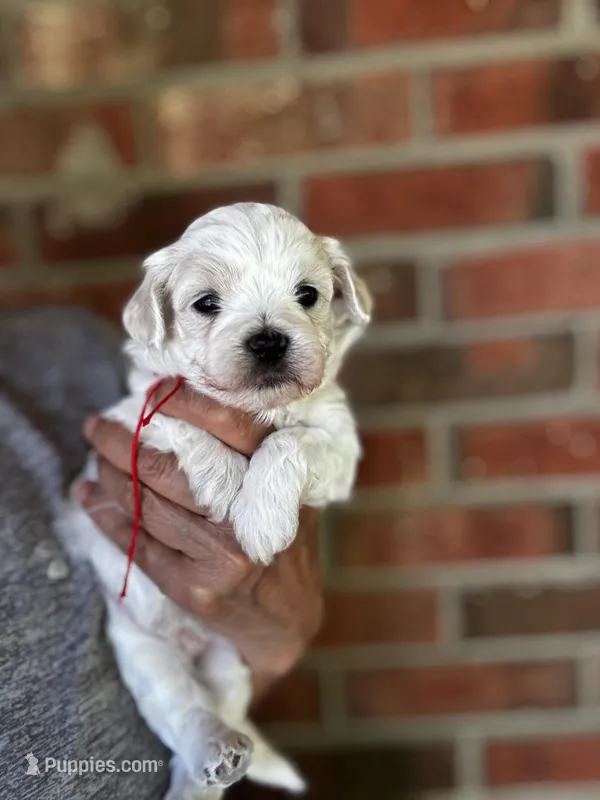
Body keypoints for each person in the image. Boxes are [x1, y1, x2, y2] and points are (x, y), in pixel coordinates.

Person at [0, 307, 322, 798]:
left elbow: (266, 633)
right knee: (158, 670)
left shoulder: (74, 353)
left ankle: (203, 762)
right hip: (142, 626)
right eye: (209, 305)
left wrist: (274, 638)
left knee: (218, 681)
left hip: (206, 639)